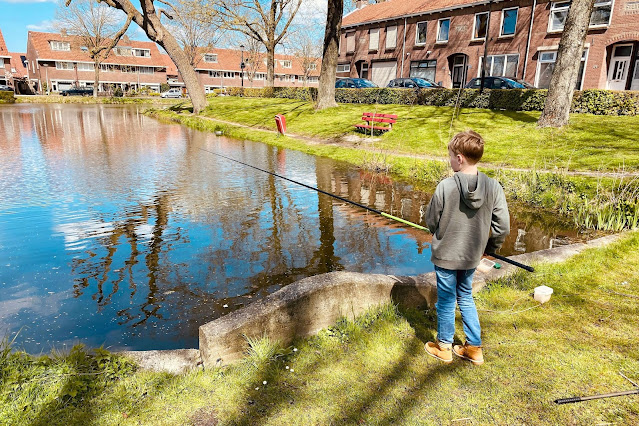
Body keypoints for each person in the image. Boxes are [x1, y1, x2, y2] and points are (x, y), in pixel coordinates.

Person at [424, 130, 510, 365]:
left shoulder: (446, 186)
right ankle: (474, 348)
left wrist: (436, 230)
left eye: (451, 155)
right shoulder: (494, 187)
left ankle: (443, 347)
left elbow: (431, 219)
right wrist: (489, 248)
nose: (450, 160)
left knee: (446, 300)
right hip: (472, 256)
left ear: (459, 158)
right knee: (465, 296)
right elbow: (502, 227)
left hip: (446, 256)